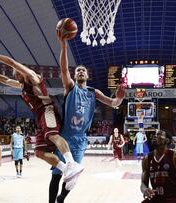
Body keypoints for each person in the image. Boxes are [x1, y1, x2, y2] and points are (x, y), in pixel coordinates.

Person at [0, 39, 83, 189]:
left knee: (53, 136)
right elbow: (6, 80)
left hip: (47, 109)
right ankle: (66, 169)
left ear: (21, 70)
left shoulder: (32, 77)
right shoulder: (21, 85)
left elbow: (12, 62)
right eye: (14, 73)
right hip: (39, 116)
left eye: (16, 71)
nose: (13, 73)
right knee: (39, 152)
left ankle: (72, 163)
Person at [49, 34, 126, 203]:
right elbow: (63, 69)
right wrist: (63, 47)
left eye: (83, 70)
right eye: (78, 71)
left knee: (72, 177)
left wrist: (120, 97)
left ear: (87, 75)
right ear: (75, 76)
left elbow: (113, 103)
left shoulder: (93, 92)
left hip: (81, 139)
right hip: (65, 137)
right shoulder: (70, 87)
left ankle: (61, 198)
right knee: (56, 174)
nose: (81, 71)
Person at [141, 130, 176, 203]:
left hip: (173, 198)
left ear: (167, 140)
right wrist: (145, 189)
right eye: (155, 134)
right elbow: (143, 183)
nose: (155, 136)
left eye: (159, 135)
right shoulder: (146, 159)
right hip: (156, 197)